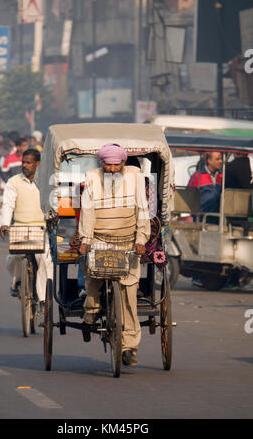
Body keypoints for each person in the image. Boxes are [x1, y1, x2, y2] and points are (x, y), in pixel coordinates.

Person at [78, 143, 151, 367]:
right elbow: (87, 211)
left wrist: (141, 240)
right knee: (92, 280)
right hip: (99, 240)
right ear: (101, 163)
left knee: (129, 295)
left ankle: (129, 347)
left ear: (123, 163)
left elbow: (142, 209)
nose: (111, 169)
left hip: (127, 241)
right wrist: (86, 240)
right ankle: (90, 313)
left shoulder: (135, 176)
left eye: (116, 165)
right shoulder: (91, 177)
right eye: (107, 165)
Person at [0, 149, 53, 312]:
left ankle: (43, 298)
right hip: (20, 227)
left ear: (37, 164)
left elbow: (54, 202)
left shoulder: (46, 182)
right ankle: (17, 282)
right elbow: (8, 203)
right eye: (23, 162)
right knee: (12, 258)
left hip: (41, 228)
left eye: (28, 162)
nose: (24, 165)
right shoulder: (14, 181)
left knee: (44, 260)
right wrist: (4, 223)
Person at [188, 151, 223, 216]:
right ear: (209, 161)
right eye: (217, 159)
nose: (220, 161)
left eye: (221, 159)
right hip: (200, 217)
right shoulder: (197, 176)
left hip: (218, 218)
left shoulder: (222, 176)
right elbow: (189, 196)